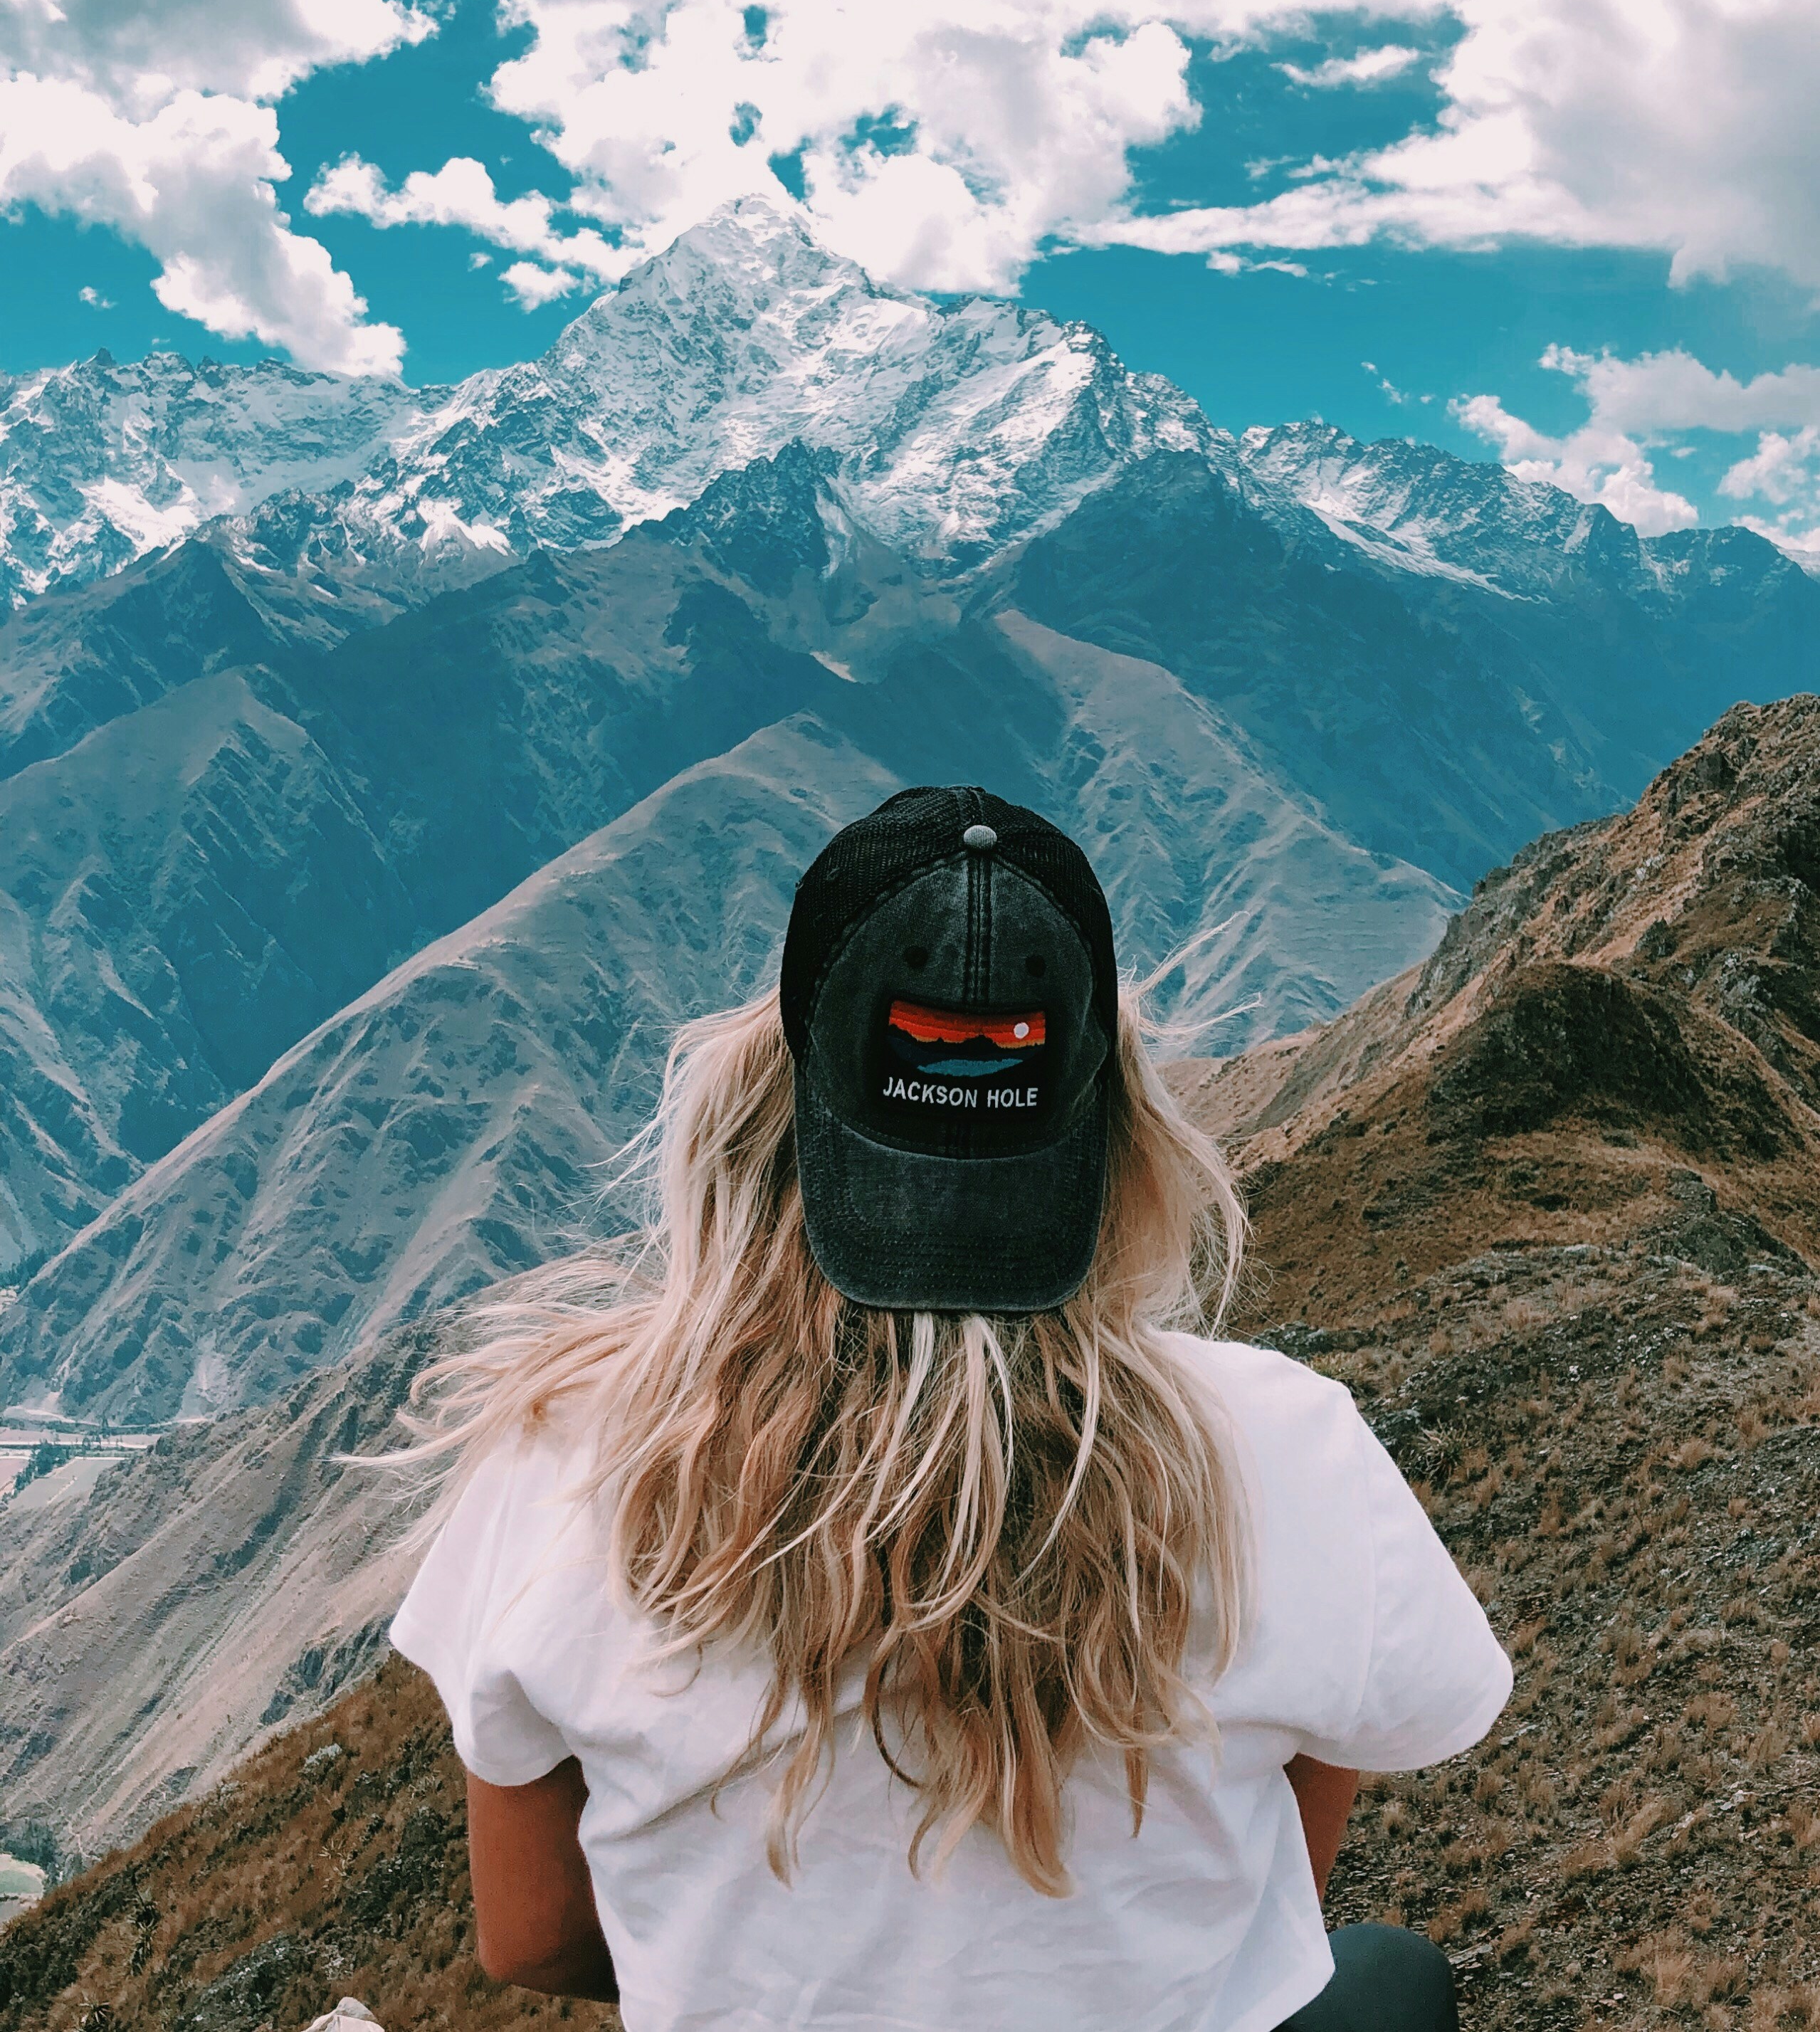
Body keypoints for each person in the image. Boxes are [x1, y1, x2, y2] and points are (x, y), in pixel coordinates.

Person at [389, 788, 1513, 2032]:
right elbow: (1266, 1903)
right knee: (1385, 1979)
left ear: (765, 1099)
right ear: (1119, 1124)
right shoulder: (1282, 1448)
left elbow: (534, 1936)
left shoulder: (571, 1455)